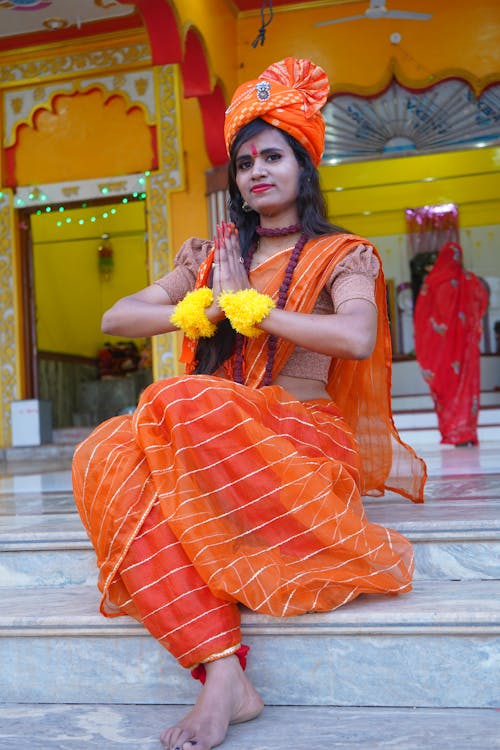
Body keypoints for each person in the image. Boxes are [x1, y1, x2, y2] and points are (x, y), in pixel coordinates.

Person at [72, 57, 426, 750]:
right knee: (100, 454)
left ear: (303, 167)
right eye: (244, 163)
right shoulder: (210, 257)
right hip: (211, 429)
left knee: (180, 399)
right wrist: (197, 305)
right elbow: (117, 319)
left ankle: (220, 675)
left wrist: (257, 312)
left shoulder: (341, 254)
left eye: (273, 156)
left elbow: (356, 337)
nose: (256, 171)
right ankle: (222, 671)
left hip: (301, 443)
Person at [414, 240, 489, 446]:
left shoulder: (434, 281)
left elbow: (422, 316)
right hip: (466, 349)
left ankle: (454, 431)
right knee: (467, 387)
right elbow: (481, 303)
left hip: (443, 352)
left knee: (447, 389)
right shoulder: (471, 281)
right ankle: (466, 431)